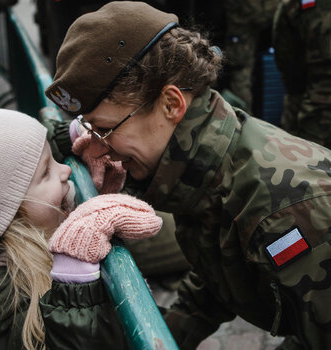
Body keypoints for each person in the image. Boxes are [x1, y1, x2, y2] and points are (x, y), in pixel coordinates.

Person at [45, 2, 331, 349]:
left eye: (105, 129)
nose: (100, 149)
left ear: (171, 104)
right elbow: (220, 273)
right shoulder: (199, 168)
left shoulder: (286, 209)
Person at [0, 108, 163, 349]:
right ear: (10, 214)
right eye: (47, 172)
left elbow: (17, 165)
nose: (66, 170)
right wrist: (75, 271)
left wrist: (73, 134)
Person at [272, 0, 331, 149]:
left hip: (315, 106)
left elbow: (287, 58)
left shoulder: (294, 5)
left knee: (307, 162)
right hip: (314, 103)